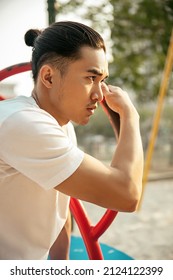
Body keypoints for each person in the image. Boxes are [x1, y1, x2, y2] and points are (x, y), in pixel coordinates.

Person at [0, 21, 143, 260]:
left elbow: (60, 207)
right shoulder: (21, 123)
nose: (99, 95)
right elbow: (126, 195)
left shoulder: (58, 123)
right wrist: (130, 115)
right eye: (90, 78)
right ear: (48, 76)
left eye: (102, 81)